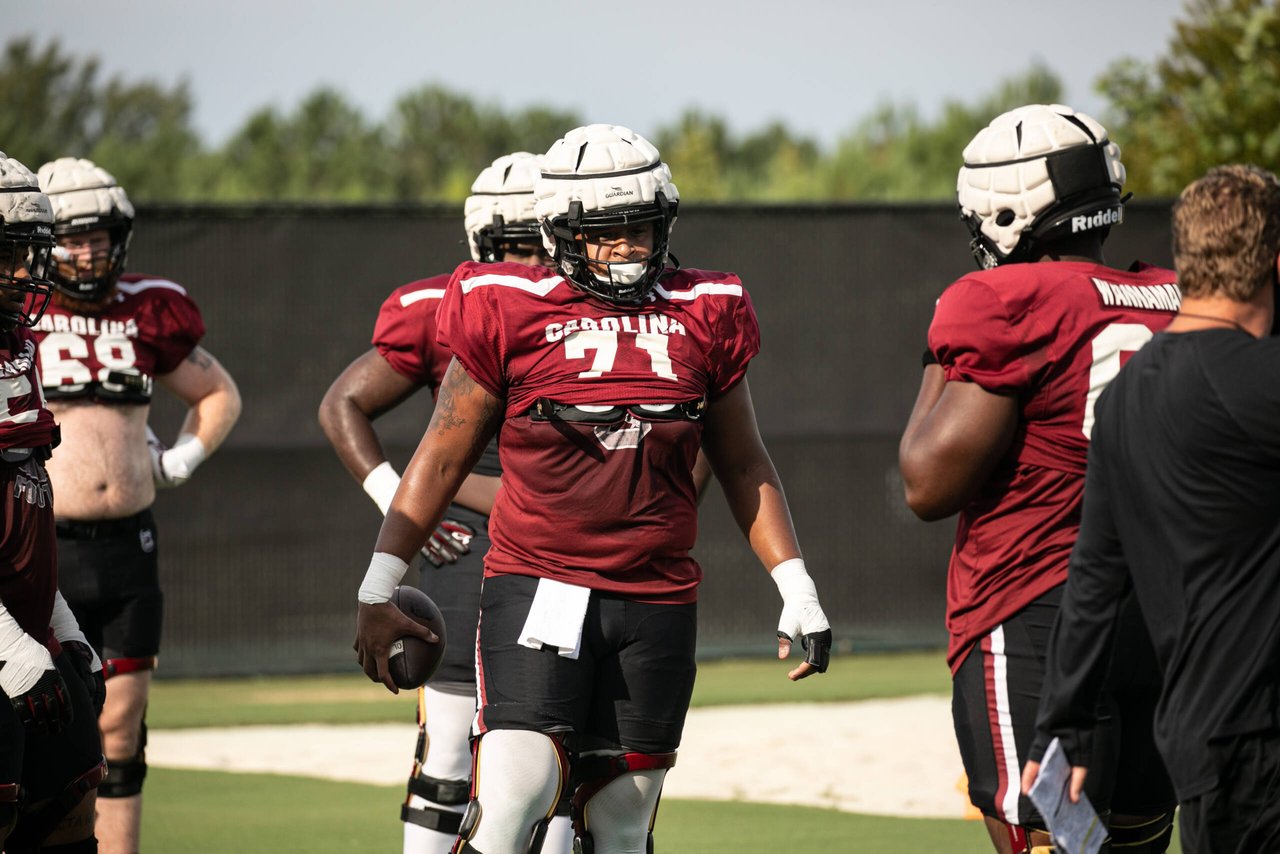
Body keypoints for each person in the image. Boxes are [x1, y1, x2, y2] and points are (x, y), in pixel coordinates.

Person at [353, 124, 833, 854]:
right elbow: (441, 459)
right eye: (606, 233)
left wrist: (796, 586)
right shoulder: (506, 307)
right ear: (558, 231)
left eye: (641, 228)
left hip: (657, 600)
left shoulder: (705, 311)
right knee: (513, 799)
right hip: (539, 585)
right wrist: (377, 587)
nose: (629, 248)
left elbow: (743, 464)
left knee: (619, 824)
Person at [898, 104, 1178, 854]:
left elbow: (927, 485)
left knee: (1052, 841)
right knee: (1138, 839)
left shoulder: (1000, 302)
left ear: (1003, 207)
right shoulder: (1171, 296)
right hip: (1164, 615)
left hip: (1038, 609)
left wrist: (938, 356)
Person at [319, 152, 576, 854]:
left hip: (562, 553)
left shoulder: (595, 314)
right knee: (450, 754)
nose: (529, 261)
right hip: (470, 552)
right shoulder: (442, 305)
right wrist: (398, 502)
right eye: (514, 244)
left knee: (554, 758)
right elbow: (342, 401)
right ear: (483, 243)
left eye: (539, 241)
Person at [1024, 164, 1280, 853]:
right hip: (1264, 742)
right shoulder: (1261, 378)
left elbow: (1095, 578)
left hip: (1199, 743)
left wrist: (1063, 725)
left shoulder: (1127, 395)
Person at [33, 157, 242, 854]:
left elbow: (218, 394)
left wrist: (179, 459)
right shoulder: (21, 311)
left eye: (102, 236)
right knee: (36, 724)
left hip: (127, 545)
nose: (91, 251)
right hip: (42, 543)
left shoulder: (148, 306)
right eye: (76, 236)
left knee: (121, 731)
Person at [0, 151, 107, 854]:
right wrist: (9, 648)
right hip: (4, 648)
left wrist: (61, 625)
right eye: (7, 254)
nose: (23, 273)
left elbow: (25, 508)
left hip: (26, 634)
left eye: (28, 254)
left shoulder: (19, 345)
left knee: (68, 814)